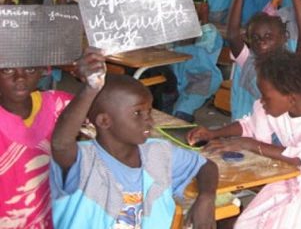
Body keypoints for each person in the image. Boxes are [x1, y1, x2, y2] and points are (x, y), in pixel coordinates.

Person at [188, 51, 301, 229]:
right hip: (291, 175)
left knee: (286, 221)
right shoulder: (277, 109)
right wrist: (214, 134)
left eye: (266, 97)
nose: (262, 101)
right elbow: (249, 126)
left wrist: (250, 144)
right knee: (248, 221)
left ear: (291, 98)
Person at [50, 50, 218, 228]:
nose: (149, 120)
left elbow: (206, 166)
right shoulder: (85, 161)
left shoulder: (158, 153)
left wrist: (207, 197)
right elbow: (61, 143)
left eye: (149, 111)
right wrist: (91, 88)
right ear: (104, 121)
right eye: (137, 113)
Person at [226, 0, 301, 121]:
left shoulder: (290, 67)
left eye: (268, 36)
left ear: (284, 38)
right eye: (256, 38)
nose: (262, 41)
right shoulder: (248, 61)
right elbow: (232, 35)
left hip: (278, 135)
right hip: (247, 128)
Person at [0, 63, 73, 227]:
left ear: (43, 70)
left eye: (30, 69)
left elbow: (105, 114)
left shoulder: (58, 104)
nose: (20, 78)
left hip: (48, 218)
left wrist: (92, 87)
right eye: (7, 69)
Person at [170, 3, 223, 123]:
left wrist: (204, 19)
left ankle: (182, 124)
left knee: (182, 109)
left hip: (203, 79)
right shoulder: (176, 33)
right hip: (178, 78)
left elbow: (206, 41)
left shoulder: (209, 31)